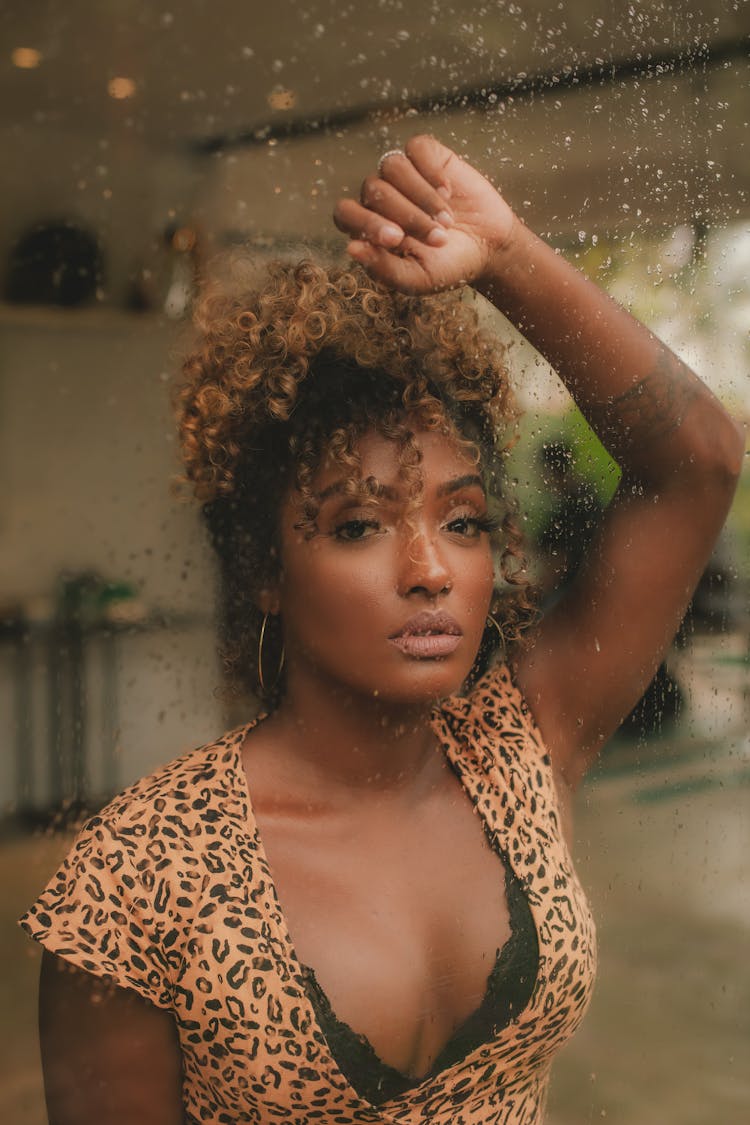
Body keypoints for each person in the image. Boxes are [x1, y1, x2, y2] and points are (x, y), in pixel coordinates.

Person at [20, 136, 743, 1125]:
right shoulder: (140, 878)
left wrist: (508, 257)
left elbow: (695, 460)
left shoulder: (523, 746)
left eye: (463, 521)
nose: (431, 571)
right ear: (267, 570)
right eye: (359, 525)